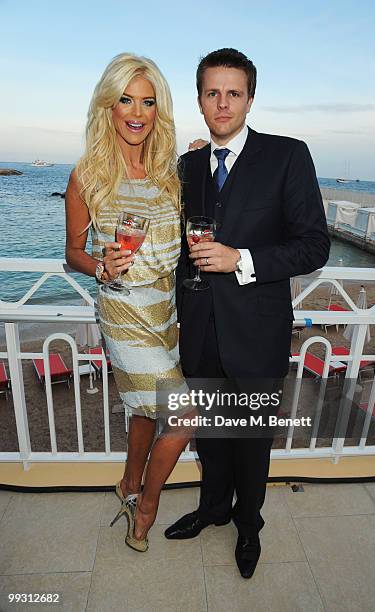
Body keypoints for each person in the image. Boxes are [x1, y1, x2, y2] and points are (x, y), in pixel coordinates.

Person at [165, 48, 330, 578]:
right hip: (200, 331)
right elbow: (170, 247)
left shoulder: (287, 155)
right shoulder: (186, 166)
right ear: (199, 99)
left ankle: (248, 524)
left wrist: (245, 260)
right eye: (212, 92)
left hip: (257, 333)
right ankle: (213, 508)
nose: (223, 103)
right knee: (212, 434)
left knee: (252, 439)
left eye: (234, 93)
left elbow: (314, 247)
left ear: (250, 98)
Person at [65, 53, 195, 553]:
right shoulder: (88, 176)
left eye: (148, 101)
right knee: (184, 415)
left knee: (145, 411)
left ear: (157, 110)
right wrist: (100, 265)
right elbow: (72, 252)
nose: (137, 111)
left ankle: (126, 482)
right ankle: (146, 505)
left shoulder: (168, 173)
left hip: (166, 310)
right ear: (109, 107)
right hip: (122, 310)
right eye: (126, 100)